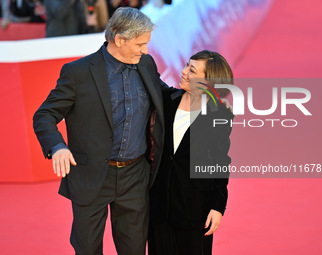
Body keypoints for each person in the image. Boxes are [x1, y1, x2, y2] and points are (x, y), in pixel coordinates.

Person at [33, 7, 165, 255]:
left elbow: (163, 96)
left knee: (135, 249)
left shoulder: (145, 63)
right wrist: (57, 146)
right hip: (92, 175)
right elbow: (45, 115)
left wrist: (201, 97)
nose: (145, 50)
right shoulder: (78, 73)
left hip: (135, 176)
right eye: (140, 44)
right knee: (88, 249)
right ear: (119, 39)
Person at [148, 50, 234, 255]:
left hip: (195, 209)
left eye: (192, 70)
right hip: (160, 207)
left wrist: (218, 206)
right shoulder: (168, 100)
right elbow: (149, 74)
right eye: (187, 65)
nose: (184, 71)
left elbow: (220, 161)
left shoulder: (219, 115)